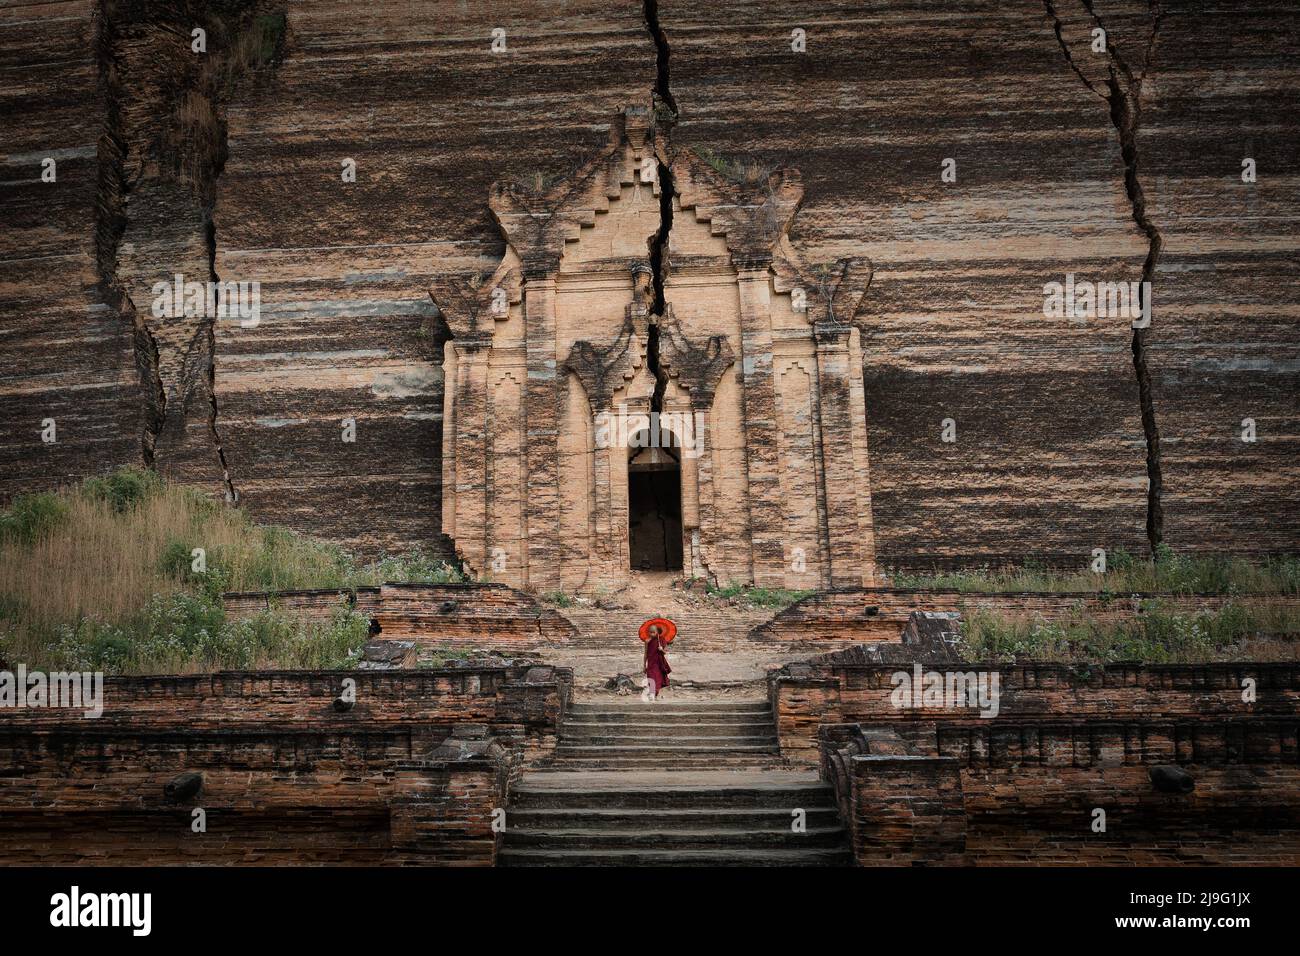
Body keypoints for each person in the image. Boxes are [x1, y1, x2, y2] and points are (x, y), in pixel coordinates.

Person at [642, 624, 671, 702]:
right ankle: (652, 694)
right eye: (650, 632)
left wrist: (661, 649)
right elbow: (645, 654)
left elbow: (665, 652)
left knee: (658, 679)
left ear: (657, 632)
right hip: (651, 663)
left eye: (653, 632)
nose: (651, 634)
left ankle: (654, 695)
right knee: (651, 678)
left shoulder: (661, 639)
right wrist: (644, 665)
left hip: (659, 663)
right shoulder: (647, 641)